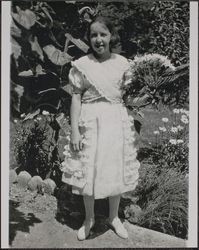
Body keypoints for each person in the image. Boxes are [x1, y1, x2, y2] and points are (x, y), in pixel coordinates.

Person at [61, 16, 140, 241]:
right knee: (89, 170)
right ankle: (89, 218)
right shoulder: (82, 65)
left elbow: (131, 96)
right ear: (89, 38)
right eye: (94, 35)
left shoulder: (123, 63)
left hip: (115, 119)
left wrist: (149, 90)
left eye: (103, 34)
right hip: (90, 120)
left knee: (114, 168)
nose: (98, 39)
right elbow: (76, 98)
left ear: (111, 36)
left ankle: (114, 217)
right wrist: (75, 130)